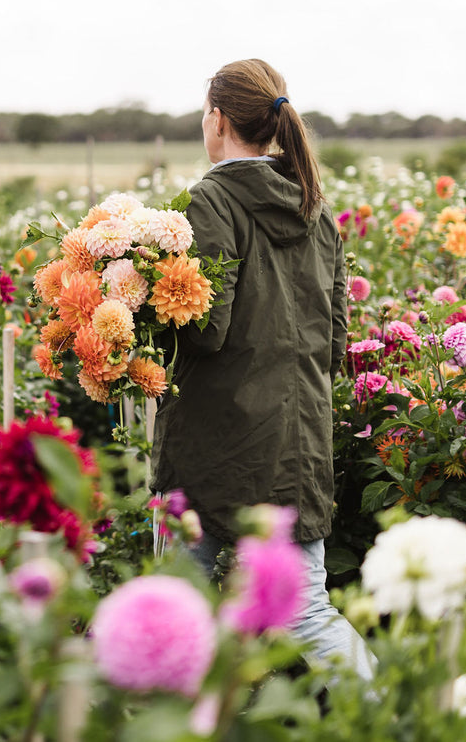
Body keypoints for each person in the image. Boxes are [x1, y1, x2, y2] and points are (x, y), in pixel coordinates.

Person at [151, 58, 375, 682]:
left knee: (179, 607)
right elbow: (334, 345)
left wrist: (144, 303)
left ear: (217, 120)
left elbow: (205, 327)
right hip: (296, 449)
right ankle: (403, 716)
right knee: (306, 609)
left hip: (212, 448)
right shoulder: (316, 210)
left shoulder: (212, 202)